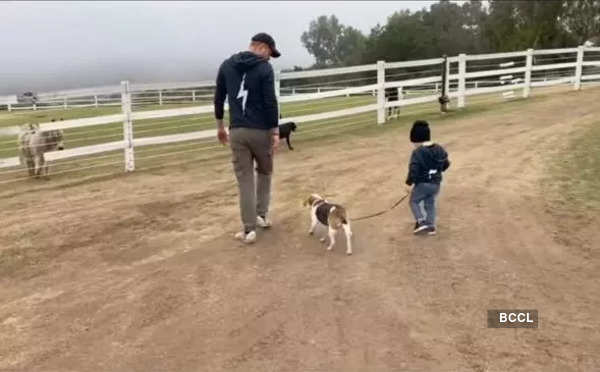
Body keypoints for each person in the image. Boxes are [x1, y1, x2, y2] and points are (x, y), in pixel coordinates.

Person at [214, 33, 281, 244]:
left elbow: (218, 98)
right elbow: (270, 101)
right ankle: (261, 215)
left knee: (244, 180)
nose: (269, 58)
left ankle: (248, 229)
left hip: (237, 131)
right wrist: (276, 131)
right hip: (260, 130)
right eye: (269, 53)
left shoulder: (226, 65)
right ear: (261, 47)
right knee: (265, 171)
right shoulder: (264, 68)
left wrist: (220, 127)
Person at [405, 120, 450, 235]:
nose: (414, 145)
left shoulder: (418, 152)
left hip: (422, 184)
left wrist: (409, 184)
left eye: (414, 142)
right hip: (436, 184)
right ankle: (431, 226)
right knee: (430, 203)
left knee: (413, 201)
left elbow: (413, 169)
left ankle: (420, 221)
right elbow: (446, 163)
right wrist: (437, 171)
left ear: (417, 140)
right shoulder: (439, 148)